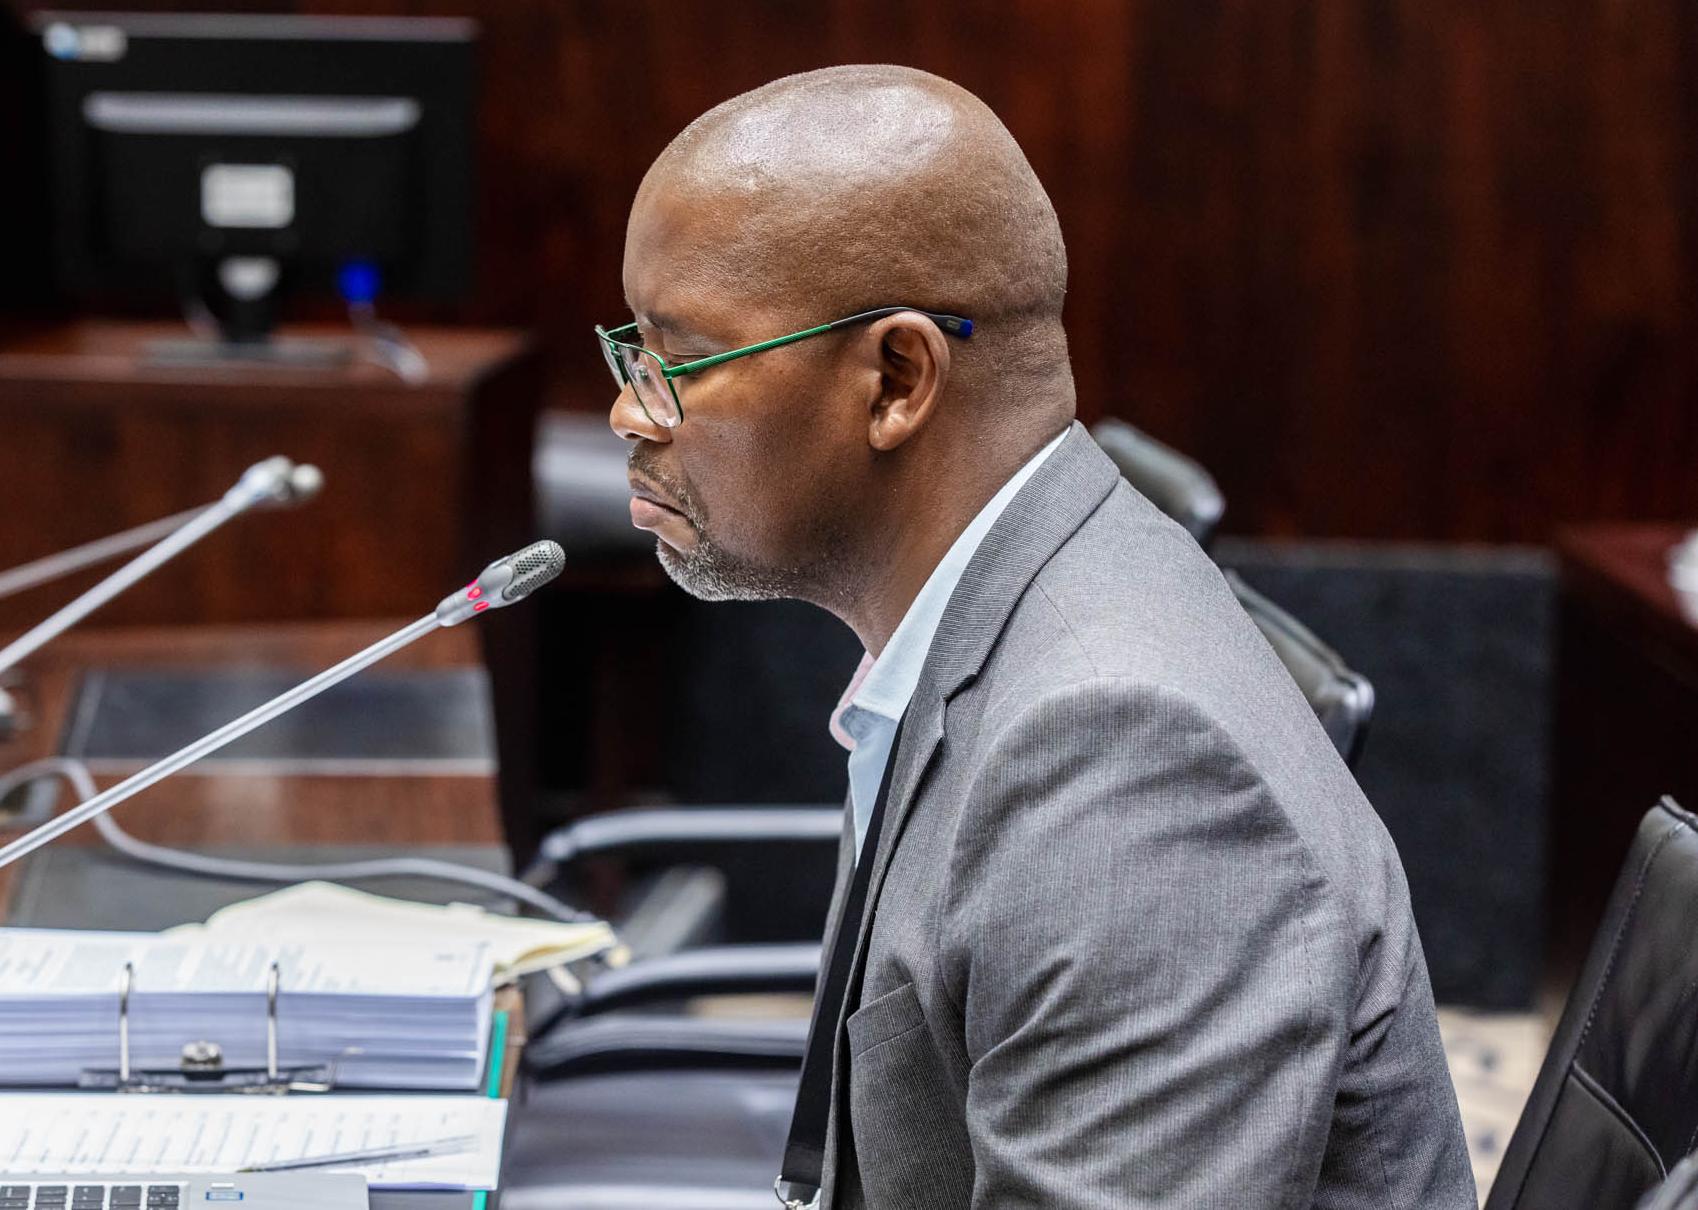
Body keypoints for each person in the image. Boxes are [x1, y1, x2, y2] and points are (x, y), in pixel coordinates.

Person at [598, 66, 1476, 1208]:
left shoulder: (1121, 765)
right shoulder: (994, 617)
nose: (630, 409)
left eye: (678, 360)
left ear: (896, 380)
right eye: (631, 352)